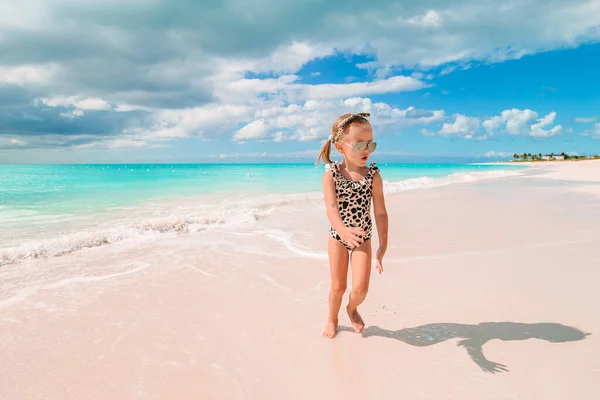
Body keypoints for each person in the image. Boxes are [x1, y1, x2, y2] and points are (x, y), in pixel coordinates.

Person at [316, 112, 389, 339]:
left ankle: (351, 308)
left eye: (370, 144)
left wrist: (383, 243)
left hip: (362, 237)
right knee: (338, 286)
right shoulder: (331, 176)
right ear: (340, 147)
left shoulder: (373, 176)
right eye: (359, 146)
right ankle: (332, 318)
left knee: (360, 288)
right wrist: (342, 231)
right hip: (339, 236)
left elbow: (380, 211)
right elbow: (331, 208)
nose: (366, 150)